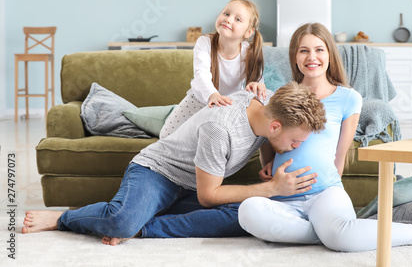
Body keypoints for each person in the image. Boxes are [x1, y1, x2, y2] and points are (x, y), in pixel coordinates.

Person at [238, 23, 412, 252]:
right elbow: (268, 136)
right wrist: (268, 163)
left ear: (330, 55)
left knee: (339, 235)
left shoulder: (348, 98)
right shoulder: (280, 94)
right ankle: (332, 234)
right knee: (248, 211)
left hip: (324, 193)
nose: (311, 57)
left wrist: (329, 190)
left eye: (319, 49)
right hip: (283, 195)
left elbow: (340, 156)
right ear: (295, 57)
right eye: (303, 50)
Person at [22, 82, 327, 246]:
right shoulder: (221, 128)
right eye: (295, 141)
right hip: (158, 174)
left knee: (249, 214)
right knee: (120, 222)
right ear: (274, 127)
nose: (296, 147)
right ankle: (63, 218)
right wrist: (271, 187)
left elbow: (272, 118)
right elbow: (209, 196)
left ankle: (145, 228)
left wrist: (270, 159)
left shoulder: (269, 103)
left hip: (195, 184)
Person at [159, 0, 266, 139]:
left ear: (248, 32)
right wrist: (213, 95)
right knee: (166, 135)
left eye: (238, 19)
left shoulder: (250, 52)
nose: (228, 19)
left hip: (228, 106)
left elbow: (259, 81)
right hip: (199, 99)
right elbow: (201, 74)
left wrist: (258, 84)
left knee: (214, 139)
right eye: (226, 14)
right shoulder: (204, 42)